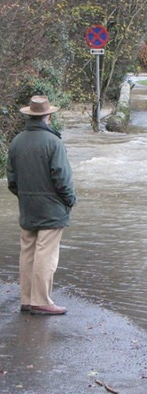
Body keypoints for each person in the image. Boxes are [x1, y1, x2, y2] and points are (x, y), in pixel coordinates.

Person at [5, 95, 76, 316]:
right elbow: (62, 179)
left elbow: (12, 181)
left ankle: (27, 299)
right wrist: (70, 200)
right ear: (49, 116)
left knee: (27, 252)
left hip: (27, 206)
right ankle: (41, 301)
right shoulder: (53, 142)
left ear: (29, 116)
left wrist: (25, 197)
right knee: (46, 254)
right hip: (52, 209)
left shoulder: (16, 142)